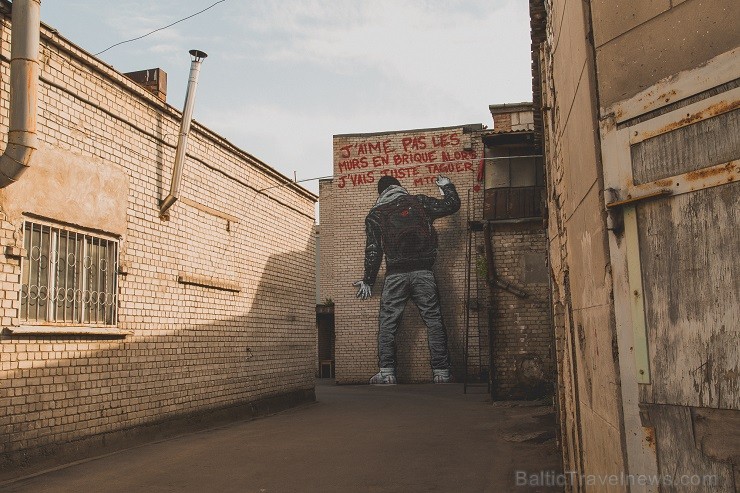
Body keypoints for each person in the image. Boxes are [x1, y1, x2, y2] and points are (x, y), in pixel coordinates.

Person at [353, 174, 461, 385]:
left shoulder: (376, 214)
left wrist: (368, 280)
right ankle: (441, 372)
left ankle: (387, 373)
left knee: (387, 325)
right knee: (434, 321)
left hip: (395, 275)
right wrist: (446, 186)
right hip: (424, 272)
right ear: (399, 187)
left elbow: (373, 250)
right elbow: (451, 206)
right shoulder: (419, 202)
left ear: (381, 192)